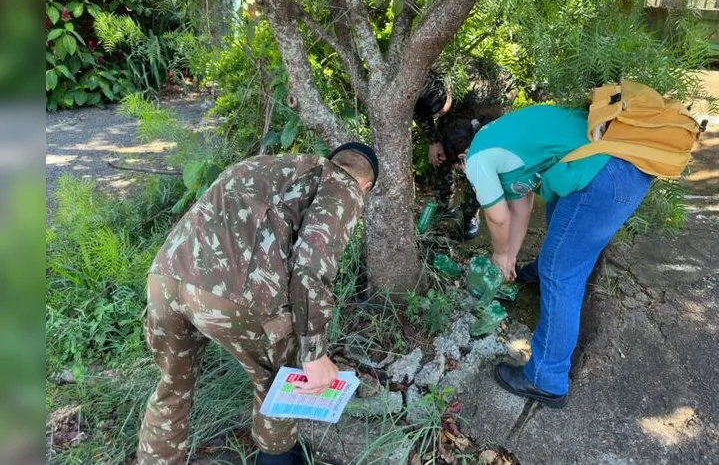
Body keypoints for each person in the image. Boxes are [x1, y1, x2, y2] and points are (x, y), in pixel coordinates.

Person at [137, 143, 378, 465]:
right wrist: (314, 352)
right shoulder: (343, 186)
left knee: (172, 387)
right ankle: (277, 458)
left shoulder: (260, 164)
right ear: (367, 185)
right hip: (229, 298)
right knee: (279, 377)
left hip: (165, 279)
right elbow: (310, 268)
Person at [442, 105, 654, 407]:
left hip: (604, 173)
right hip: (627, 165)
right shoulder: (502, 138)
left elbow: (498, 218)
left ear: (461, 159)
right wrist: (511, 257)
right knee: (561, 227)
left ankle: (547, 378)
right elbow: (521, 207)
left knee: (562, 275)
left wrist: (500, 254)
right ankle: (539, 271)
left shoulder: (476, 157)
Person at [413, 57, 516, 239]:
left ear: (449, 92)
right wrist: (433, 141)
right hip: (460, 104)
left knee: (478, 163)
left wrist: (475, 151)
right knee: (444, 150)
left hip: (486, 111)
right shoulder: (421, 82)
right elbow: (419, 112)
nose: (435, 117)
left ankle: (469, 216)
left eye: (439, 112)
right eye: (433, 114)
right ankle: (443, 205)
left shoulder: (485, 92)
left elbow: (495, 129)